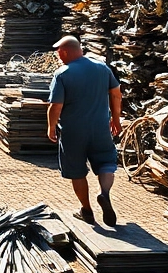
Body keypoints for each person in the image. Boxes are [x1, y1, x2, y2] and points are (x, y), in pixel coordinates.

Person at [46, 35, 123, 226]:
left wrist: (51, 126)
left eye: (58, 53)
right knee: (106, 162)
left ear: (64, 52)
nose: (58, 57)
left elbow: (56, 106)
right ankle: (104, 193)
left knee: (77, 171)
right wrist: (116, 119)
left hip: (73, 133)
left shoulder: (62, 73)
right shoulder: (102, 68)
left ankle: (87, 211)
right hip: (101, 130)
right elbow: (116, 94)